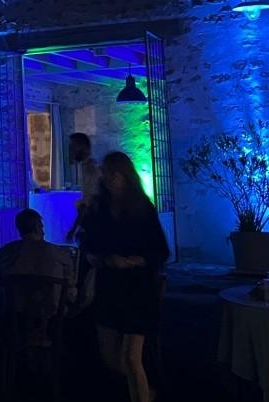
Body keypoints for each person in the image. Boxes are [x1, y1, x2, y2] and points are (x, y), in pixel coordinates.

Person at [79, 152, 169, 402]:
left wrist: (132, 261)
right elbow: (87, 240)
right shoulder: (101, 208)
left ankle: (144, 392)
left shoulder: (142, 208)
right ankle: (146, 390)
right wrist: (99, 257)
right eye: (106, 173)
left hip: (137, 289)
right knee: (112, 358)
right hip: (109, 287)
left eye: (114, 173)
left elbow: (160, 250)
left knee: (131, 357)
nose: (109, 178)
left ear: (125, 175)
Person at [0, 208, 76, 307]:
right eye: (42, 227)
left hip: (14, 317)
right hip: (51, 317)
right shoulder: (59, 253)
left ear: (19, 229)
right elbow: (70, 291)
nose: (43, 232)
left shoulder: (6, 252)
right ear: (37, 227)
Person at [65, 132, 101, 241]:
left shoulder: (90, 169)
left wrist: (74, 228)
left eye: (72, 146)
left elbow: (90, 202)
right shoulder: (85, 167)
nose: (70, 150)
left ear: (81, 147)